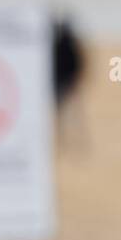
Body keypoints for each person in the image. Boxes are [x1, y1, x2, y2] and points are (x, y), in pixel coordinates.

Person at [50, 13, 86, 149]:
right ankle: (63, 141)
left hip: (65, 82)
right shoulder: (64, 43)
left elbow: (77, 64)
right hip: (63, 82)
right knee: (65, 115)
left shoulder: (61, 43)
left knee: (70, 115)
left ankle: (72, 142)